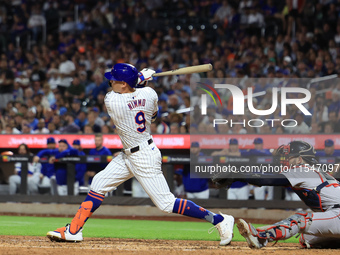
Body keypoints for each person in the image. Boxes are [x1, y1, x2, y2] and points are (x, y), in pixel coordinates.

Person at [46, 63, 234, 245]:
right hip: (128, 154)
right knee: (99, 182)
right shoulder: (150, 93)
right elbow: (151, 114)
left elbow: (128, 96)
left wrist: (141, 78)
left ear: (124, 84)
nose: (111, 83)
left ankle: (219, 220)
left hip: (143, 156)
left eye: (114, 80)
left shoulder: (112, 100)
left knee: (166, 204)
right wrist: (142, 81)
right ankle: (74, 230)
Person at [213, 141, 340, 249]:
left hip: (338, 214)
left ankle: (260, 236)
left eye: (289, 157)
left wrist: (237, 175)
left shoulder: (303, 169)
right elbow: (268, 176)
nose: (285, 160)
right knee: (307, 238)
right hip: (334, 216)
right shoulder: (311, 172)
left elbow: (266, 179)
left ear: (300, 159)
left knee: (300, 220)